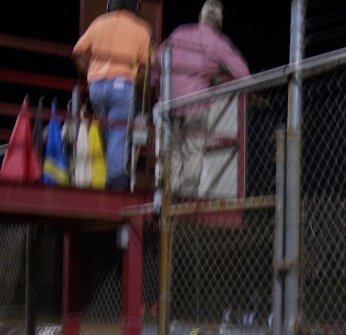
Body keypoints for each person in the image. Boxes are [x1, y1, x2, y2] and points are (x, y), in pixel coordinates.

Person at [153, 0, 250, 198]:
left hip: (169, 103)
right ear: (220, 21)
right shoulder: (217, 42)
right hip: (195, 104)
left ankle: (168, 197)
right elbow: (243, 74)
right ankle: (186, 199)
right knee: (193, 151)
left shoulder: (179, 32)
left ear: (200, 16)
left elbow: (157, 61)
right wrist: (217, 77)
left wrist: (157, 87)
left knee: (172, 150)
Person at [72, 0, 152, 191]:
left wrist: (90, 72)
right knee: (119, 133)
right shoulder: (141, 29)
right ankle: (116, 181)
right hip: (122, 86)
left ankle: (111, 170)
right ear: (135, 7)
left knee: (108, 132)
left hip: (96, 88)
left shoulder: (98, 22)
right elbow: (147, 66)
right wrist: (137, 80)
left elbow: (77, 52)